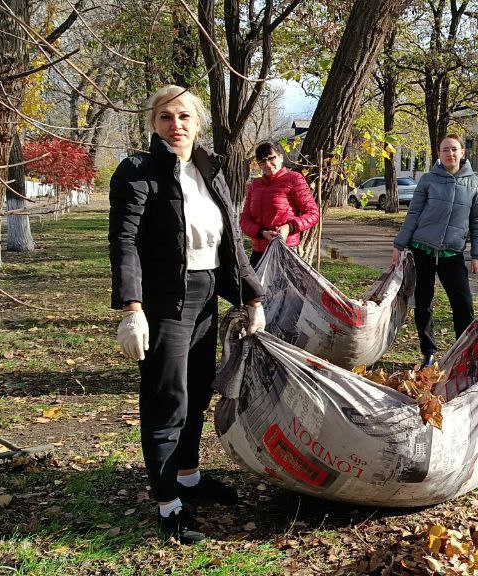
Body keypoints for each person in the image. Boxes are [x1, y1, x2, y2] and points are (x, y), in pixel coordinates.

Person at [109, 85, 266, 544]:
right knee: (167, 400)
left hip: (204, 298)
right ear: (153, 123)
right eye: (165, 117)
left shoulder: (208, 169)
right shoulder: (138, 171)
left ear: (197, 123)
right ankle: (167, 504)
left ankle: (189, 476)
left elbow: (229, 245)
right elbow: (125, 243)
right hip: (163, 304)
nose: (175, 125)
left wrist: (251, 297)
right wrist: (131, 308)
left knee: (197, 391)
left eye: (183, 116)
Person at [392, 133, 478, 367]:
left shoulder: (474, 182)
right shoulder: (428, 179)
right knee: (423, 302)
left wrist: (477, 254)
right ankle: (428, 352)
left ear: (463, 152)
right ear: (439, 153)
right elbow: (413, 213)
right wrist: (399, 245)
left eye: (454, 149)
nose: (450, 153)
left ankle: (464, 352)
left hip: (452, 253)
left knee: (462, 303)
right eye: (445, 149)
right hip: (422, 250)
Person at [239, 142, 320, 265]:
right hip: (258, 253)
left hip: (285, 251)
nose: (267, 164)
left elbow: (313, 214)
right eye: (262, 161)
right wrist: (261, 233)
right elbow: (245, 219)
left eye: (271, 158)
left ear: (281, 157)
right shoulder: (255, 185)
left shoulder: (294, 179)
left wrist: (289, 227)